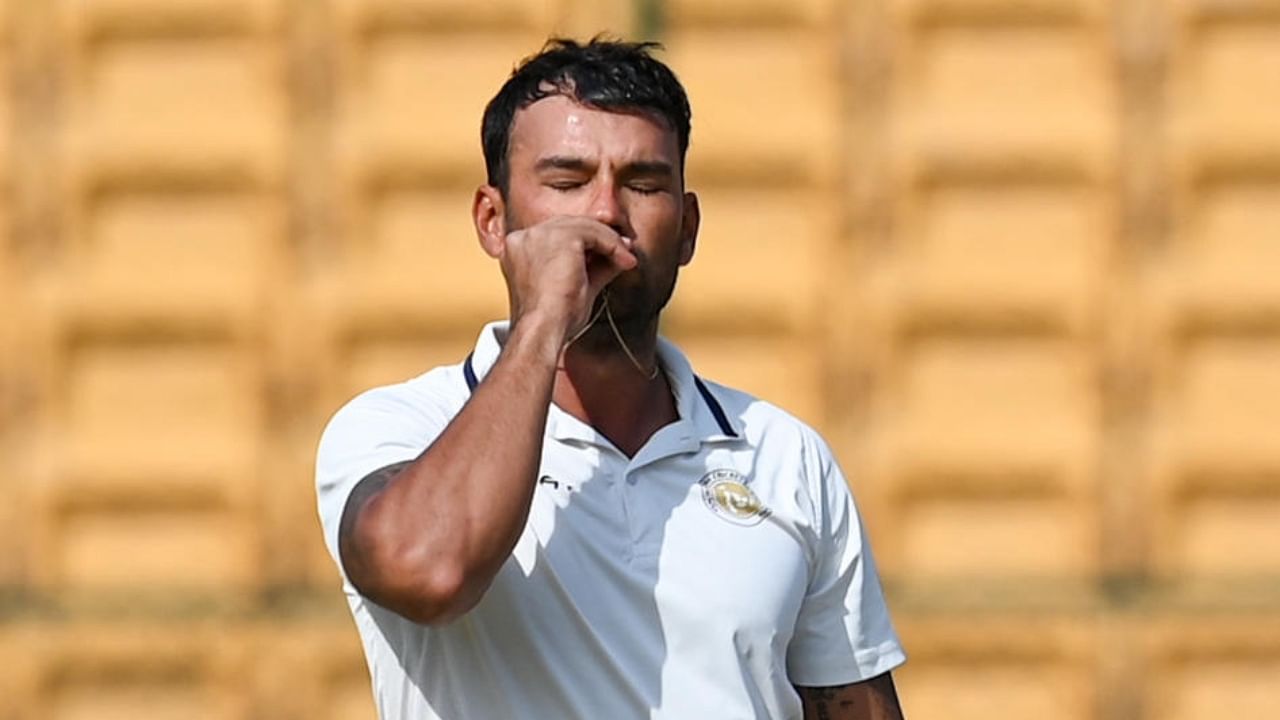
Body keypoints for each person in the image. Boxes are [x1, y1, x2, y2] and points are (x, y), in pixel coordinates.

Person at [316, 37, 907, 720]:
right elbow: (428, 570)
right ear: (492, 220)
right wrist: (545, 317)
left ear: (686, 230)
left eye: (644, 184)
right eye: (567, 182)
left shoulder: (784, 455)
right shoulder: (398, 428)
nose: (605, 212)